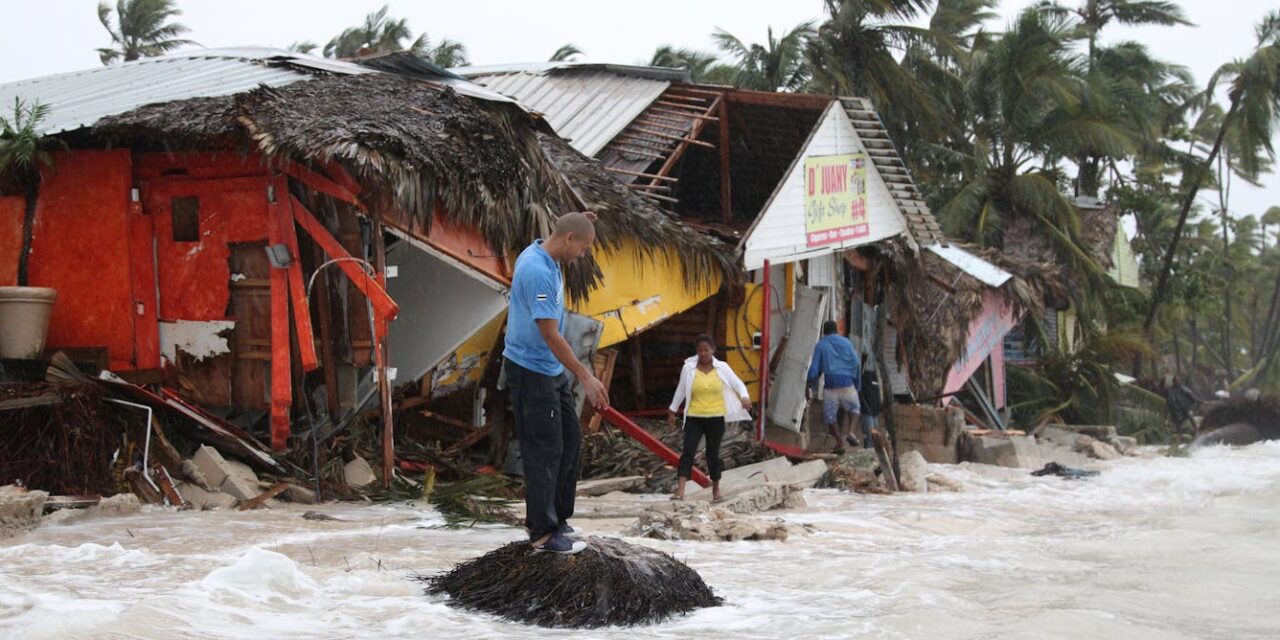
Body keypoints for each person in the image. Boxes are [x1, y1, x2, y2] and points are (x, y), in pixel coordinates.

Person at [503, 211, 609, 555]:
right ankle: (542, 533)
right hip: (530, 369)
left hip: (550, 369)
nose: (585, 254)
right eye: (585, 246)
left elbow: (571, 227)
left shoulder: (549, 257)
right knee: (543, 448)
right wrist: (586, 375)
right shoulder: (535, 269)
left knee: (571, 438)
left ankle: (559, 518)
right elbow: (549, 333)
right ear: (568, 239)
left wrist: (582, 219)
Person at [666, 335, 752, 502]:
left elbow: (738, 384)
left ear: (713, 350)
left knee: (713, 454)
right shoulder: (689, 369)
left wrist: (745, 396)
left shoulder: (722, 368)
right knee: (688, 451)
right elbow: (681, 391)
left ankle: (716, 491)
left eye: (706, 350)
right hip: (694, 417)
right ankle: (680, 490)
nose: (703, 353)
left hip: (715, 417)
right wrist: (672, 411)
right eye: (700, 350)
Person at [807, 320, 861, 454]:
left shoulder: (821, 344)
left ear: (824, 332)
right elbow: (856, 363)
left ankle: (839, 442)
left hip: (831, 385)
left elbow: (814, 370)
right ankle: (852, 432)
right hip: (847, 383)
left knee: (830, 417)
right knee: (855, 409)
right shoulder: (847, 343)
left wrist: (809, 387)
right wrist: (857, 384)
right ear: (837, 330)